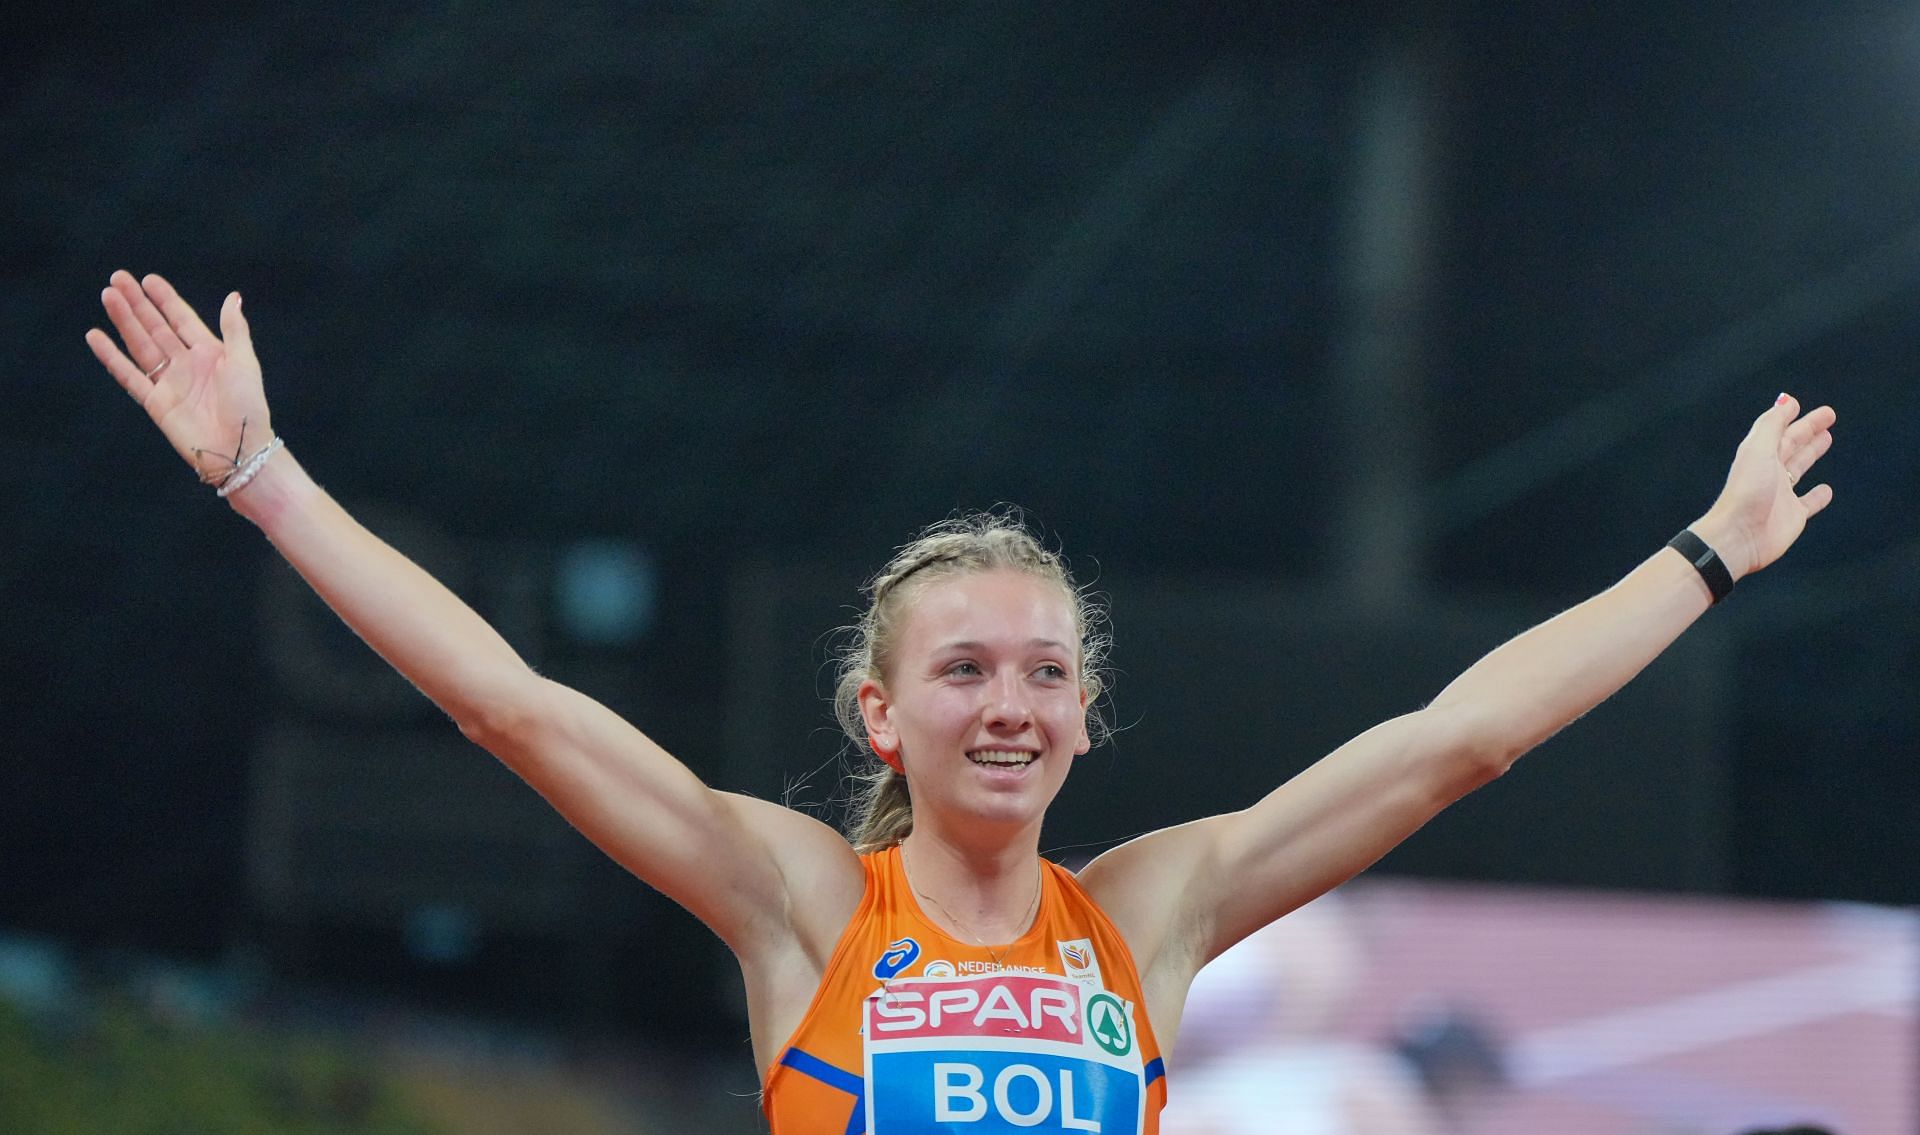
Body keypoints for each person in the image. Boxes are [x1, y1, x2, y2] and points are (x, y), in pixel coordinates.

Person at [86, 270, 1837, 1134]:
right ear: (881, 717)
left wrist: (1707, 552)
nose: (1010, 703)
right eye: (966, 670)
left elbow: (1465, 739)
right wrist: (266, 480)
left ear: (1084, 721)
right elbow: (513, 708)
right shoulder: (803, 901)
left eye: (1047, 673)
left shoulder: (1151, 911)